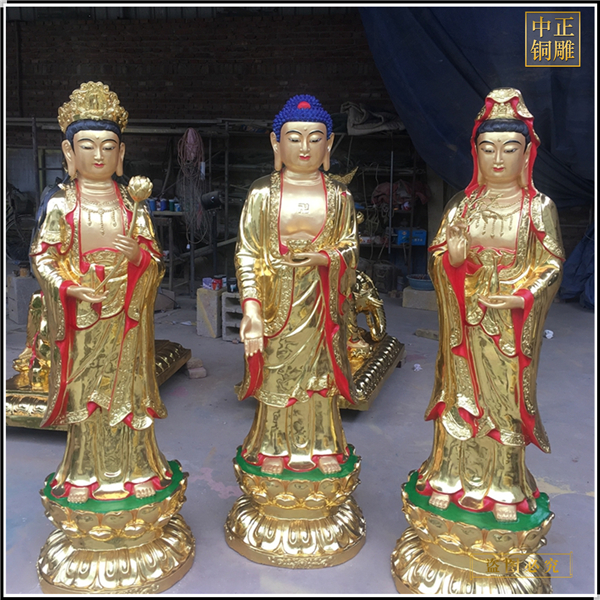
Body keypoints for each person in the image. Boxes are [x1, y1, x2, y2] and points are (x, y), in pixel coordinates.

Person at [416, 88, 565, 522]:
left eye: (510, 148)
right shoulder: (462, 206)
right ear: (475, 153)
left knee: (504, 408)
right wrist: (453, 261)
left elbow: (551, 266)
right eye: (488, 148)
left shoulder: (537, 208)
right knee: (459, 402)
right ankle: (449, 478)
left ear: (527, 153)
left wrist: (522, 296)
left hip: (507, 334)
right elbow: (438, 259)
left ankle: (505, 486)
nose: (498, 159)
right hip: (465, 328)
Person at [30, 82, 171, 504]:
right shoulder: (61, 204)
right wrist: (69, 287)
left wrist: (139, 258)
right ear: (69, 152)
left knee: (128, 397)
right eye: (87, 146)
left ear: (121, 153)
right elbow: (43, 258)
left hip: (125, 320)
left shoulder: (132, 205)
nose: (98, 155)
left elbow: (155, 259)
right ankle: (82, 474)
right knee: (85, 398)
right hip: (84, 322)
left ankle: (137, 470)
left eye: (108, 147)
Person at [235, 95, 359, 475]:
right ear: (276, 143)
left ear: (329, 144)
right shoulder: (262, 193)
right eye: (294, 138)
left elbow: (351, 248)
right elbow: (247, 253)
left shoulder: (339, 196)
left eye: (315, 139)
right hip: (276, 307)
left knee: (319, 382)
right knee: (277, 378)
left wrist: (325, 259)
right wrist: (252, 309)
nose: (305, 148)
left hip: (321, 309)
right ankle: (272, 446)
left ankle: (323, 445)